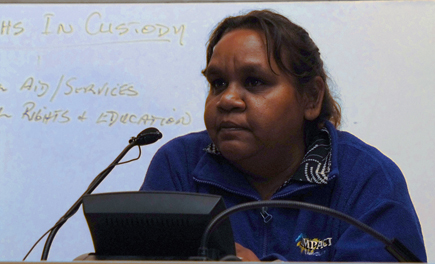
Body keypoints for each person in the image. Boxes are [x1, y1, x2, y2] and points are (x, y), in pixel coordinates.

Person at [140, 10, 426, 262]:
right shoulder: (180, 166)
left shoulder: (367, 178)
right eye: (218, 83)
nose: (227, 99)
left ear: (311, 98)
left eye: (254, 82)